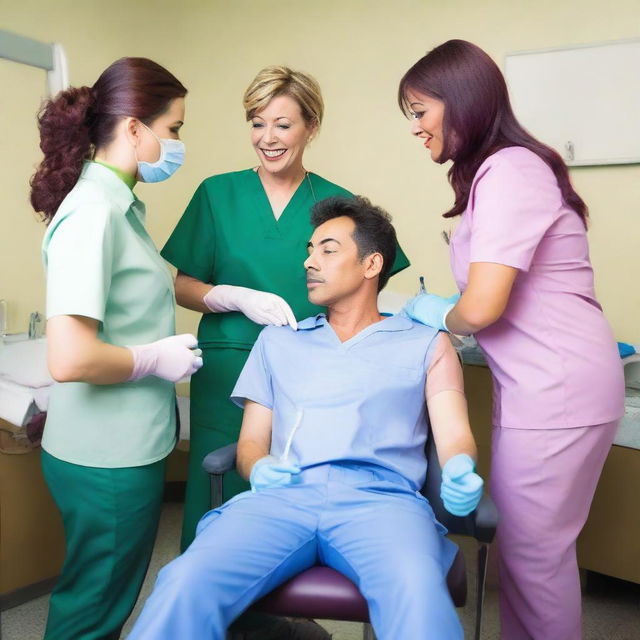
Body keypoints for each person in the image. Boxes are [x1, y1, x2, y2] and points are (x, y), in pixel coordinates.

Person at [127, 195, 484, 640]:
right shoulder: (280, 342)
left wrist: (460, 468)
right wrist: (260, 467)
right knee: (184, 581)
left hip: (382, 504)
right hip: (283, 499)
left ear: (372, 264)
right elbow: (251, 443)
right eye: (309, 251)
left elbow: (454, 435)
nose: (310, 262)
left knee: (417, 595)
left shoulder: (427, 344)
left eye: (328, 250)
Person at [398, 39, 625, 640]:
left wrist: (437, 313)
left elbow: (483, 304)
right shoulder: (503, 172)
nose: (415, 128)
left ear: (461, 102)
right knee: (530, 555)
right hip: (544, 387)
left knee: (533, 556)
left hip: (557, 389)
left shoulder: (510, 170)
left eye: (420, 111)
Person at [160, 65, 410, 553]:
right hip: (228, 372)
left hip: (309, 373)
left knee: (299, 504)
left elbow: (367, 284)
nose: (267, 137)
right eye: (257, 122)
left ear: (311, 127)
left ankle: (281, 625)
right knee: (219, 502)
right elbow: (184, 286)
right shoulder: (217, 193)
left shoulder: (338, 205)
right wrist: (232, 296)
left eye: (283, 124)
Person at [30, 57, 203, 640]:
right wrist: (157, 359)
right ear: (135, 128)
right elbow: (70, 357)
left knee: (101, 598)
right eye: (173, 128)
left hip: (123, 446)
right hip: (105, 458)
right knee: (93, 609)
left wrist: (221, 296)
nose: (178, 142)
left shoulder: (121, 206)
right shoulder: (93, 213)